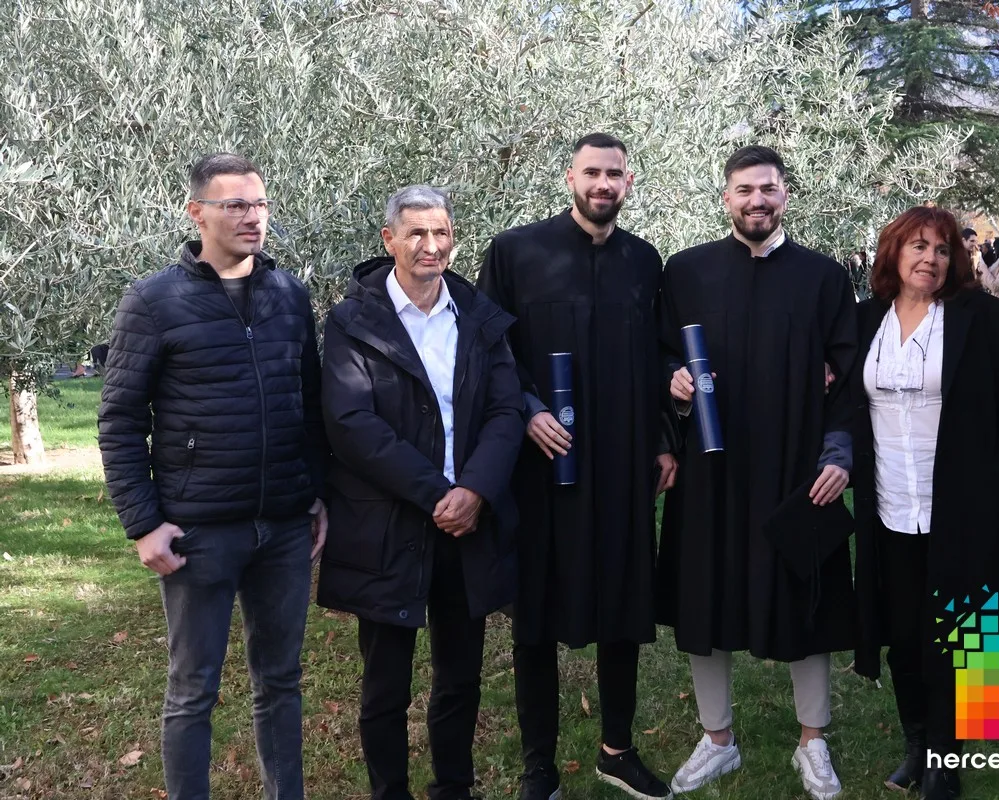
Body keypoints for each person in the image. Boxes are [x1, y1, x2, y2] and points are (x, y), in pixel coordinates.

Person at [97, 153, 327, 800]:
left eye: (261, 204)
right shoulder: (154, 301)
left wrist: (316, 492)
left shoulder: (289, 295)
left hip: (283, 527)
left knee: (280, 682)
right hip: (199, 532)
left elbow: (310, 405)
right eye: (236, 206)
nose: (254, 217)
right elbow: (119, 420)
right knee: (193, 689)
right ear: (197, 213)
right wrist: (143, 524)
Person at [476, 133, 677, 800]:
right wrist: (526, 407)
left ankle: (617, 750)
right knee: (535, 618)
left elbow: (658, 356)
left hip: (621, 466)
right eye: (591, 172)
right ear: (570, 177)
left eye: (614, 174)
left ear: (628, 181)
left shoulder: (644, 261)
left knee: (622, 605)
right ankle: (539, 766)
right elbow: (490, 349)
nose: (602, 184)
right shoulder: (515, 251)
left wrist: (663, 439)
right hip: (543, 467)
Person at [657, 145, 857, 800]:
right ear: (726, 198)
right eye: (744, 190)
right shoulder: (687, 271)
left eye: (767, 189)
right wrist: (672, 381)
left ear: (785, 194)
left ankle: (813, 740)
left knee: (805, 594)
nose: (757, 201)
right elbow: (658, 355)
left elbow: (848, 376)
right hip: (710, 471)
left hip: (794, 469)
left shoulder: (823, 278)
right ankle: (717, 739)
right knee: (704, 597)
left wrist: (838, 455)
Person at [316, 186, 524, 800]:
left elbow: (507, 409)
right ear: (389, 240)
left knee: (460, 676)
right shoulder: (353, 321)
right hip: (390, 524)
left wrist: (475, 490)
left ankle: (454, 788)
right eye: (416, 233)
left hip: (468, 522)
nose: (431, 246)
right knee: (386, 684)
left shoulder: (478, 316)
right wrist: (439, 494)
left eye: (441, 233)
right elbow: (352, 424)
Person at [849, 206, 999, 800]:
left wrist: (998, 484)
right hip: (888, 506)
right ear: (894, 252)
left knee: (961, 634)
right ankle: (916, 743)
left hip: (962, 508)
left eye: (941, 248)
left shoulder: (982, 318)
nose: (930, 258)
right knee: (904, 634)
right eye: (918, 246)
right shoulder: (864, 320)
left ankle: (944, 754)